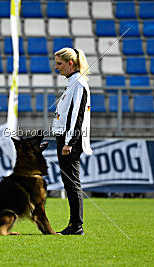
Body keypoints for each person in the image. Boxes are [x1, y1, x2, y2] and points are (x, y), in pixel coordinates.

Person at [52, 47, 93, 235]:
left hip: (70, 141)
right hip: (66, 138)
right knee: (69, 183)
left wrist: (69, 142)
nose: (56, 67)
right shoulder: (73, 83)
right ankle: (74, 225)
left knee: (72, 183)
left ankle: (76, 226)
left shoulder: (78, 83)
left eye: (59, 63)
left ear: (70, 63)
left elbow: (77, 116)